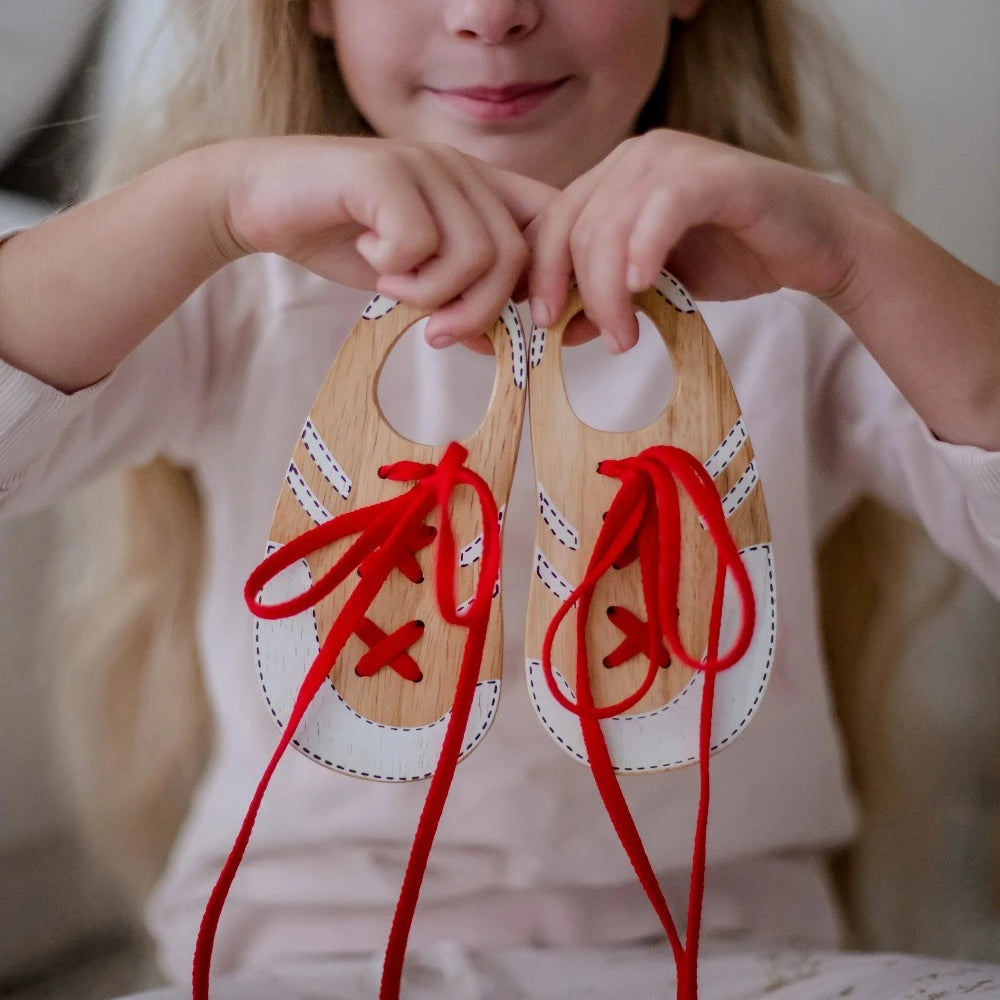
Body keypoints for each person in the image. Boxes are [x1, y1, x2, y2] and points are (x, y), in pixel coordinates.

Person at [0, 0, 998, 991]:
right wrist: (215, 202)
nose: (489, 14)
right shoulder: (240, 275)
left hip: (726, 951)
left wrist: (860, 257)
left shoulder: (795, 275)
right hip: (306, 951)